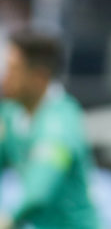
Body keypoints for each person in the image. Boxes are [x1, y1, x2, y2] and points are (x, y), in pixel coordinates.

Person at [0, 31, 100, 229]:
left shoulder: (59, 124)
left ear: (39, 77)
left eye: (13, 69)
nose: (5, 77)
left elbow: (38, 193)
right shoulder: (10, 114)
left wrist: (8, 220)